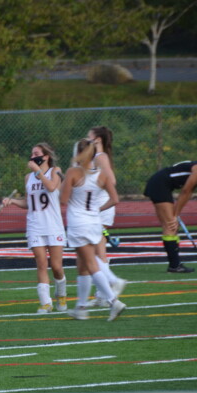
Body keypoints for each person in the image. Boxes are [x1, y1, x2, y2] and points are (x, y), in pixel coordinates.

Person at [60, 139, 126, 321]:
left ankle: (113, 301)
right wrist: (97, 210)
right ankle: (81, 307)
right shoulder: (102, 174)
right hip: (94, 222)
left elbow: (63, 199)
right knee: (82, 265)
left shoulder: (73, 172)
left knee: (91, 264)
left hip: (78, 223)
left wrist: (62, 182)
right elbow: (114, 200)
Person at [1, 143, 67, 313]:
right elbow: (28, 203)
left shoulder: (54, 171)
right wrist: (13, 201)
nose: (33, 156)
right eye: (31, 153)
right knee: (41, 264)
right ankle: (46, 302)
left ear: (46, 157)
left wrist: (38, 172)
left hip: (53, 225)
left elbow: (52, 187)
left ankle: (61, 295)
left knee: (57, 266)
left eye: (36, 153)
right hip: (35, 225)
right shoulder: (28, 177)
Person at [144, 160, 197, 273]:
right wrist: (175, 215)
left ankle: (175, 264)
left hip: (162, 185)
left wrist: (177, 213)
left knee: (172, 226)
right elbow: (185, 191)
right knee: (171, 226)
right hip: (160, 184)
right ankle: (174, 266)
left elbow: (188, 192)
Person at [86, 126, 127, 306]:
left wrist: (98, 197)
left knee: (96, 252)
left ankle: (109, 289)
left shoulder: (100, 157)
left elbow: (112, 180)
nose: (87, 139)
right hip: (98, 208)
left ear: (98, 140)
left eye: (89, 137)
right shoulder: (96, 157)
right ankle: (103, 294)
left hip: (101, 208)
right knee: (97, 251)